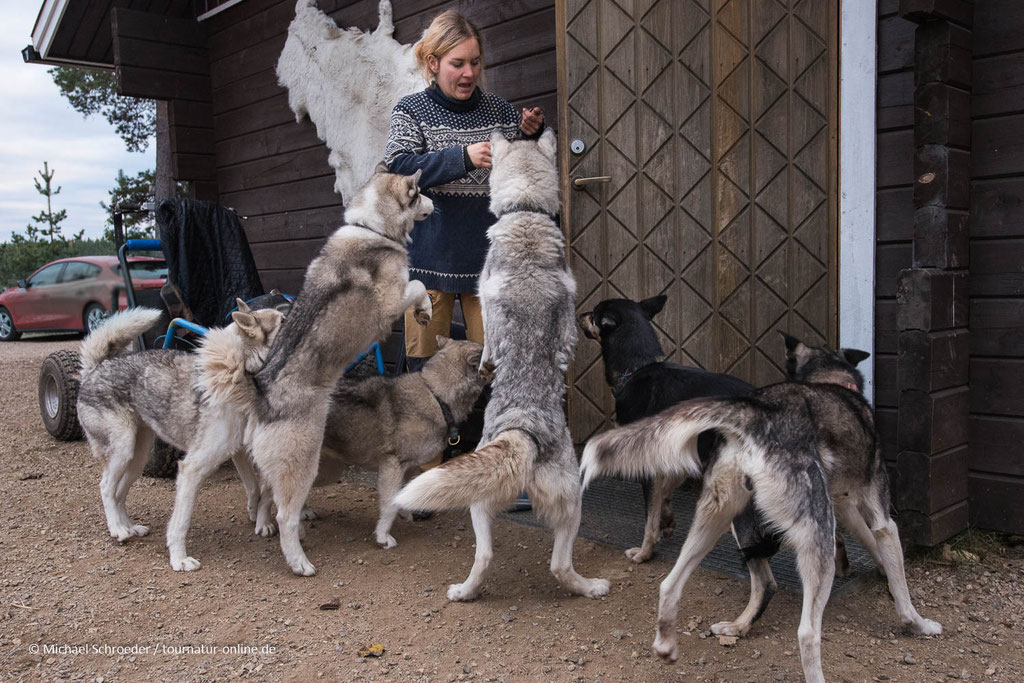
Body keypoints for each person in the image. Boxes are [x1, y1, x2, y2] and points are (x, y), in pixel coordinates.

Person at [384, 9, 545, 370]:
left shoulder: (499, 112)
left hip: (489, 266)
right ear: (433, 62)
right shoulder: (411, 110)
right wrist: (462, 158)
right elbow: (398, 169)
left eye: (475, 62)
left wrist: (531, 133)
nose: (469, 73)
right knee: (425, 376)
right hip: (428, 267)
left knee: (494, 371)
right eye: (457, 63)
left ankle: (487, 430)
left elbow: (524, 166)